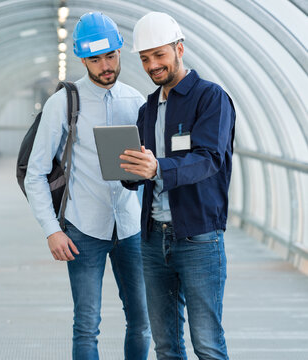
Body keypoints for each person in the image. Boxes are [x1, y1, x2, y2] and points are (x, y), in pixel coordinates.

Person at [25, 12, 151, 360]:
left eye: (110, 56)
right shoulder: (63, 103)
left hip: (131, 228)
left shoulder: (137, 102)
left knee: (141, 322)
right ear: (83, 59)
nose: (105, 65)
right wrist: (52, 230)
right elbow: (34, 172)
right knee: (86, 326)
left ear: (120, 52)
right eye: (95, 59)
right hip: (83, 230)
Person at [119, 12, 236, 360]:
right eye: (144, 59)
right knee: (166, 345)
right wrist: (128, 169)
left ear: (179, 49)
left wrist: (158, 166)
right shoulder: (149, 108)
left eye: (159, 55)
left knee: (208, 344)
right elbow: (145, 174)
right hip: (154, 239)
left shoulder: (210, 98)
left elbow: (209, 159)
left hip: (198, 236)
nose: (152, 65)